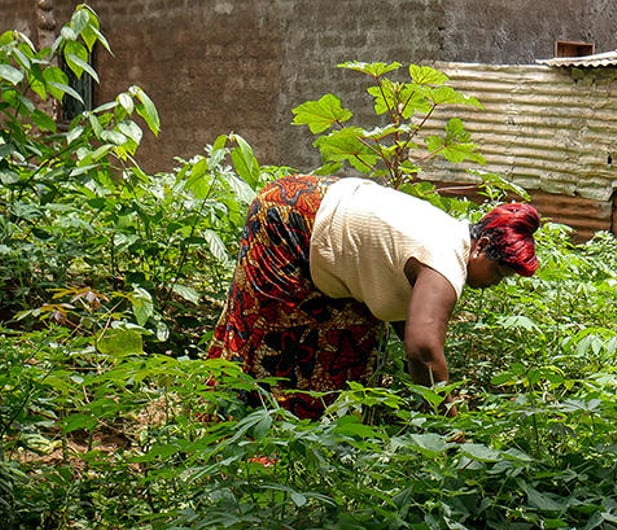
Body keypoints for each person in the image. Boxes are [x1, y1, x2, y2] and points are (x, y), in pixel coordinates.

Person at [205, 174, 540, 419]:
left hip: (310, 204)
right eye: (498, 272)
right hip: (287, 224)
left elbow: (405, 321)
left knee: (355, 342)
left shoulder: (450, 237)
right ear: (481, 247)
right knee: (278, 341)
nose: (496, 283)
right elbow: (422, 348)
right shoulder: (445, 262)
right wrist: (448, 418)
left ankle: (317, 445)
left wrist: (433, 401)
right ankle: (244, 435)